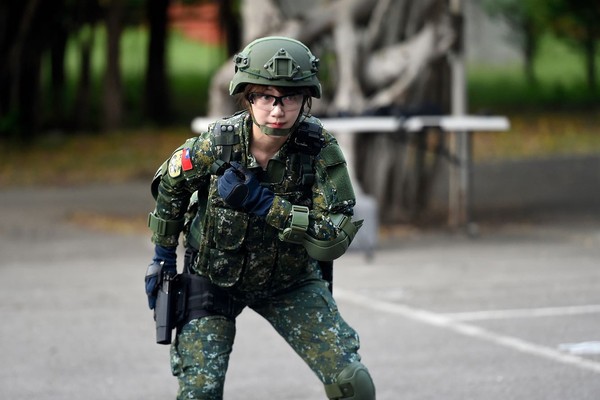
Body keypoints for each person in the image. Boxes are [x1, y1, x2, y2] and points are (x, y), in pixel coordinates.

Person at [145, 36, 376, 400]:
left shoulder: (319, 150)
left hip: (290, 280)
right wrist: (161, 257)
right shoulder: (218, 144)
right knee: (199, 393)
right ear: (247, 97)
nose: (277, 110)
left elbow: (335, 236)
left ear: (306, 100)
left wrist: (267, 206)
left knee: (352, 383)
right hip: (212, 278)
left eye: (290, 98)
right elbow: (171, 183)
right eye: (265, 97)